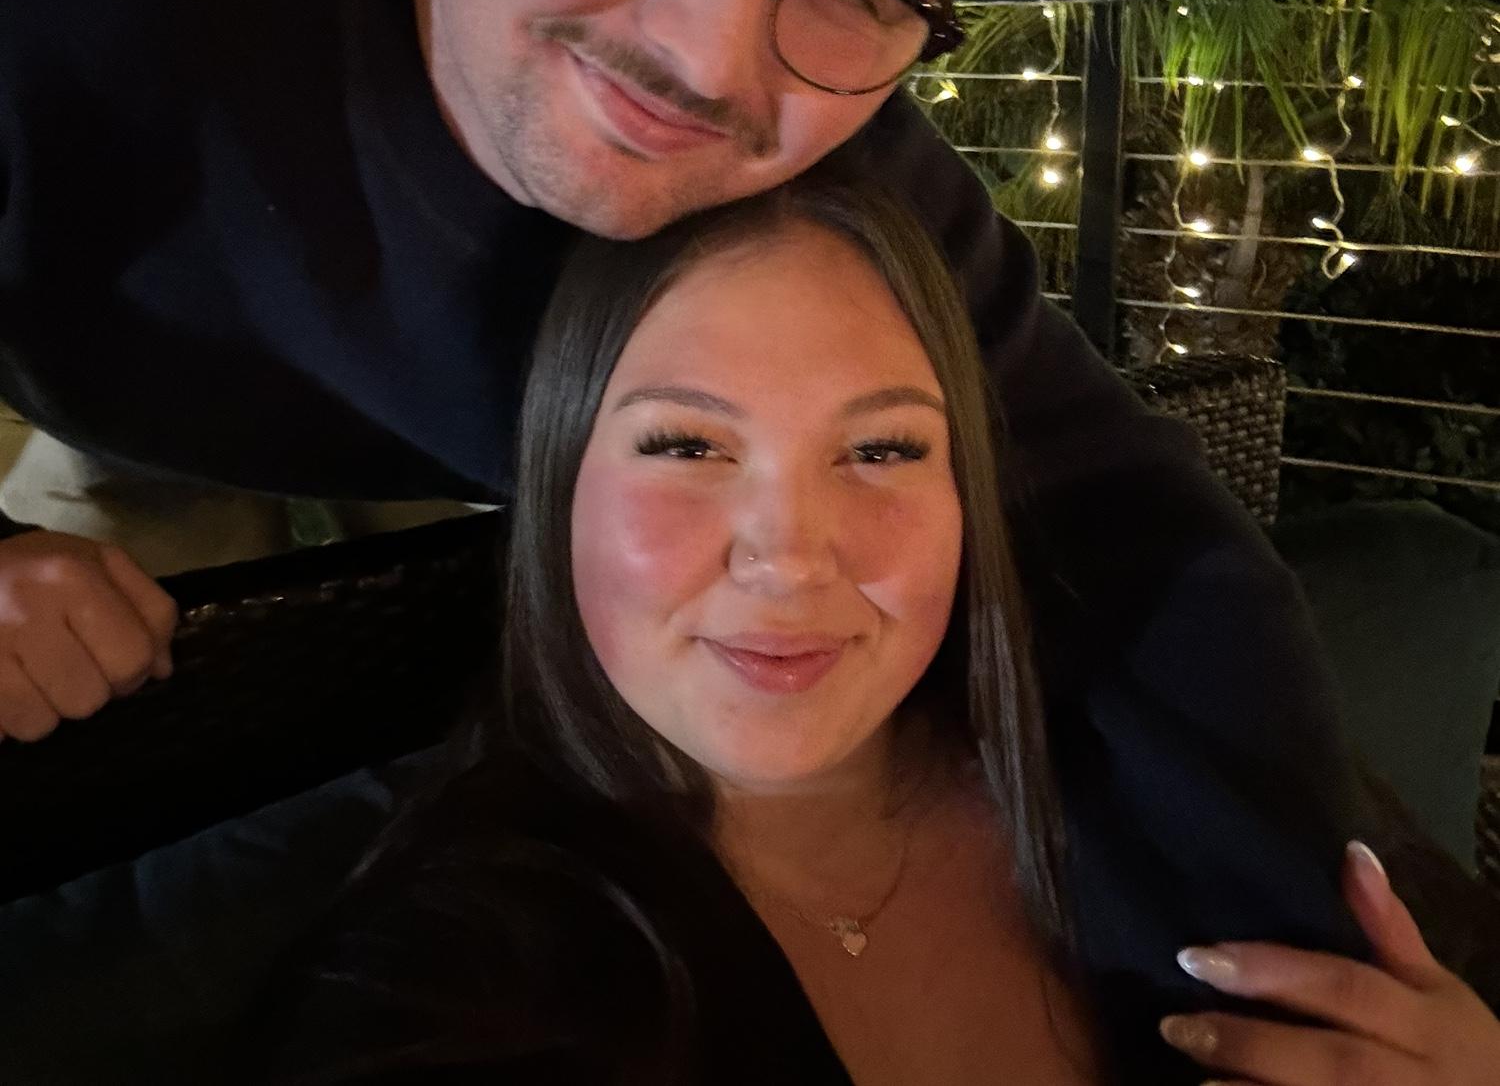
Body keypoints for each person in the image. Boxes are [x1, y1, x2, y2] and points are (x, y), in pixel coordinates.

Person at [0, 0, 1359, 956]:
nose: (706, 66)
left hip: (459, 466)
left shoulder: (840, 180)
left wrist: (1312, 977)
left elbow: (1126, 533)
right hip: (99, 362)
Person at [261, 175, 1500, 1085]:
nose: (791, 553)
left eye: (881, 450)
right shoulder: (448, 993)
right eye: (686, 445)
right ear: (558, 488)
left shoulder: (1150, 774)